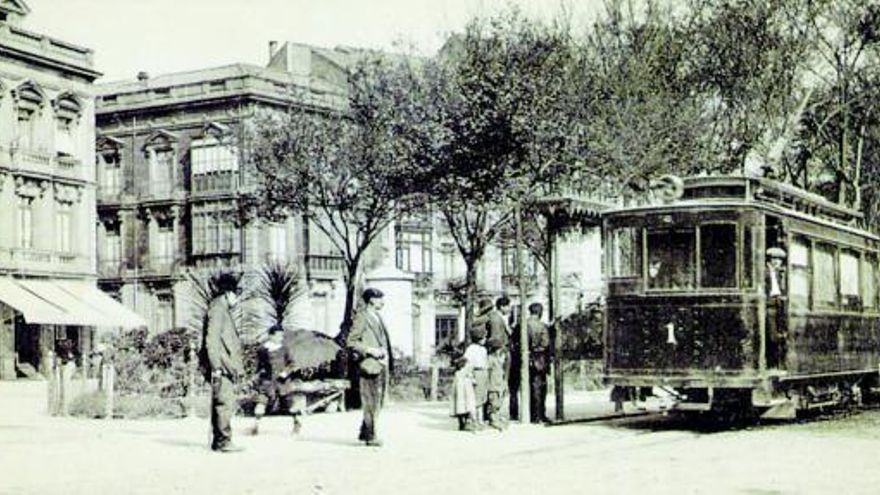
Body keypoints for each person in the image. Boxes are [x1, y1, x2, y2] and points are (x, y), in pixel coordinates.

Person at [203, 272, 245, 453]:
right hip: (221, 365)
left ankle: (219, 440)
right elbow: (211, 340)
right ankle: (223, 441)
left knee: (222, 401)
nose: (237, 299)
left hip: (223, 364)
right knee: (224, 402)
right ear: (228, 293)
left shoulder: (219, 308)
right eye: (236, 294)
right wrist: (216, 368)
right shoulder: (218, 309)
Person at [347, 288, 392, 447]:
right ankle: (371, 436)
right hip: (369, 365)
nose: (383, 302)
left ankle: (366, 432)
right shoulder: (362, 316)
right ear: (372, 300)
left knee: (377, 401)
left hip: (380, 365)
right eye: (380, 299)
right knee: (370, 401)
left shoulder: (377, 316)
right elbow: (351, 342)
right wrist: (370, 350)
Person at [251, 324, 292, 435]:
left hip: (282, 382)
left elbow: (292, 364)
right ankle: (256, 426)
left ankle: (296, 422)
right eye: (278, 336)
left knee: (289, 406)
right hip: (267, 382)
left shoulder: (284, 349)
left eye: (282, 336)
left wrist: (285, 372)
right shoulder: (262, 350)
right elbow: (259, 365)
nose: (281, 338)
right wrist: (256, 375)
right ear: (271, 336)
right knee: (261, 402)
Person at [485, 296, 512, 429]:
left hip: (498, 352)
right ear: (502, 306)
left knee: (498, 384)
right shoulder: (496, 318)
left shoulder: (497, 317)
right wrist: (499, 351)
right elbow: (496, 338)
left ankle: (494, 413)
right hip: (498, 354)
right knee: (496, 384)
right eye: (508, 306)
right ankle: (493, 415)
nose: (510, 309)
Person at [526, 302, 551, 423]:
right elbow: (545, 344)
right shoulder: (542, 326)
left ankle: (531, 414)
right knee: (540, 388)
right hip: (539, 360)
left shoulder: (522, 324)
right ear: (540, 312)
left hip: (526, 359)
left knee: (530, 388)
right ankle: (539, 415)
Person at [766, 246, 787, 368]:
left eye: (779, 260)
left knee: (781, 333)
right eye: (775, 259)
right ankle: (772, 363)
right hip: (769, 305)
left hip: (778, 304)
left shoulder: (778, 273)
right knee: (772, 335)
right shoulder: (766, 272)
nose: (778, 262)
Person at [464, 326, 489, 427]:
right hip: (476, 372)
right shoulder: (470, 349)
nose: (485, 340)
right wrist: (471, 376)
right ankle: (473, 419)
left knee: (482, 397)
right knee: (475, 398)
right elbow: (468, 364)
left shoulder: (483, 349)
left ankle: (480, 419)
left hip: (483, 373)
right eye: (483, 338)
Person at [449, 354, 476, 431]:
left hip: (459, 394)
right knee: (467, 406)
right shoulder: (467, 373)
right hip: (466, 393)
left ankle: (461, 424)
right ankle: (467, 423)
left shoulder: (457, 373)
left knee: (459, 407)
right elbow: (473, 381)